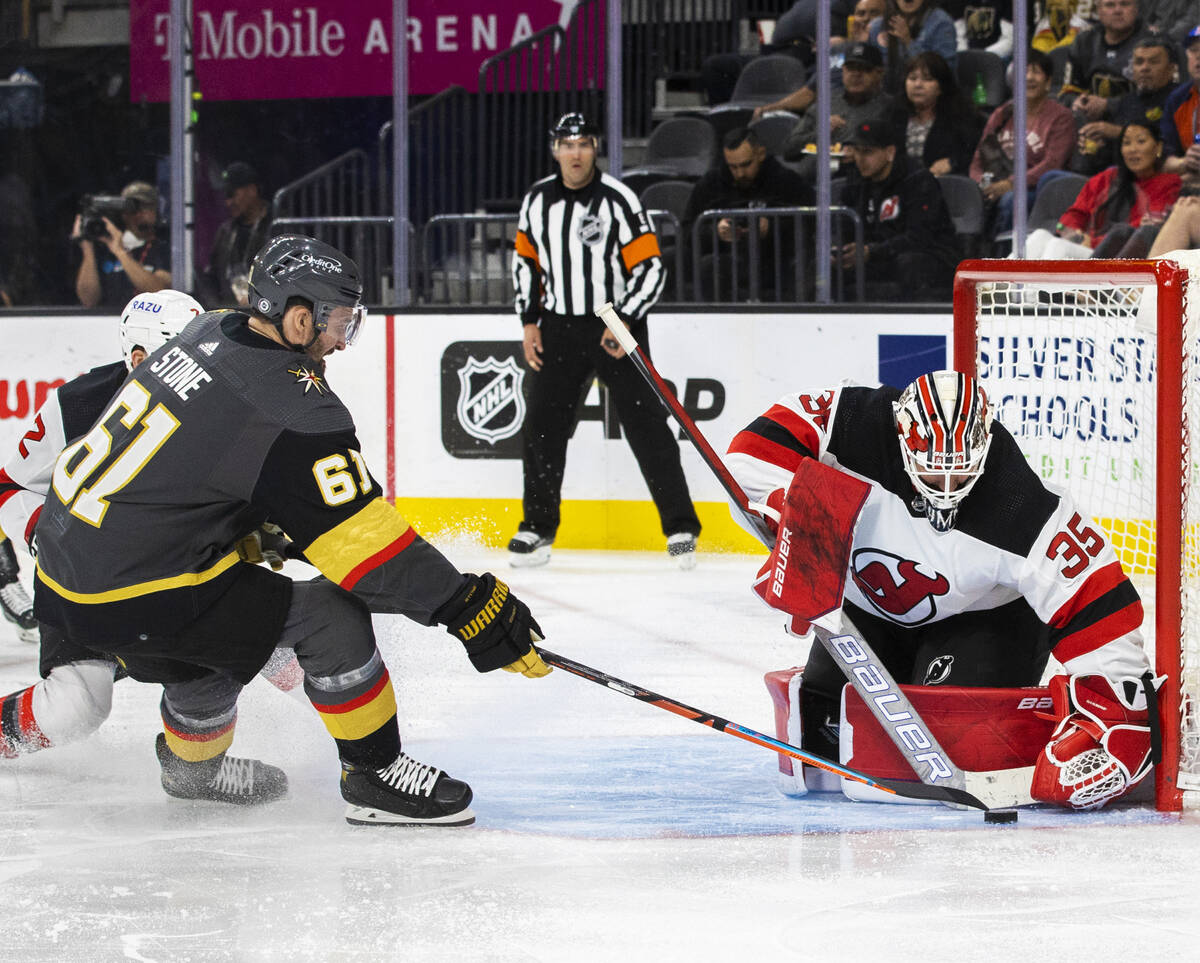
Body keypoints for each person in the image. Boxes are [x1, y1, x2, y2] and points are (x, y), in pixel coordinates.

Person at [32, 235, 552, 827]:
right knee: (329, 614)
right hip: (131, 590)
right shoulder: (293, 406)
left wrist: (249, 527)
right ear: (300, 317)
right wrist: (465, 605)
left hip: (63, 571)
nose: (340, 339)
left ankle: (190, 769)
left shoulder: (211, 330)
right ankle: (375, 774)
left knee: (217, 635)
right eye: (339, 321)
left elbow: (192, 460)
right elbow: (368, 553)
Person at [727, 370, 1157, 810]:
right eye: (934, 475)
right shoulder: (852, 419)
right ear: (902, 434)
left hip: (985, 618)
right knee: (821, 739)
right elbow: (748, 457)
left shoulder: (1020, 503)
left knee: (953, 740)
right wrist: (795, 521)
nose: (947, 490)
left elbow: (1095, 596)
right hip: (869, 608)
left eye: (961, 474)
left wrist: (1122, 708)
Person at [0, 290, 303, 790]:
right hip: (82, 579)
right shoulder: (78, 404)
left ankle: (204, 766)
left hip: (171, 573)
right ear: (138, 357)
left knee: (271, 641)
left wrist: (259, 531)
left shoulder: (219, 404)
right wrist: (47, 539)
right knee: (77, 706)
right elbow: (13, 484)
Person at [510, 113, 700, 569]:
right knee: (540, 427)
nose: (575, 153)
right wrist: (529, 322)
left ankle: (680, 527)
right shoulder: (537, 200)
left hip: (615, 323)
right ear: (554, 149)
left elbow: (651, 267)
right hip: (557, 326)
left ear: (595, 148)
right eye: (567, 144)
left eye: (583, 143)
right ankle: (537, 528)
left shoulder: (619, 199)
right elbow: (525, 265)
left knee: (648, 425)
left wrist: (627, 318)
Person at [836, 118, 962, 300]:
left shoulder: (918, 180)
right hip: (878, 256)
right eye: (856, 151)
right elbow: (846, 226)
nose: (860, 159)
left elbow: (920, 237)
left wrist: (871, 251)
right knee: (824, 266)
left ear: (890, 153)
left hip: (929, 256)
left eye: (867, 152)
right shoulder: (856, 181)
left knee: (910, 263)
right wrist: (841, 250)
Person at [682, 126, 813, 301]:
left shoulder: (787, 182)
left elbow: (811, 224)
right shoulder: (710, 184)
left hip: (775, 262)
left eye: (746, 165)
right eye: (733, 167)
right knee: (707, 265)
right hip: (727, 260)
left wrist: (772, 228)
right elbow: (687, 230)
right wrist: (716, 231)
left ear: (761, 153)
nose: (740, 173)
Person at [1023, 120, 1180, 259]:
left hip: (1119, 256)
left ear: (1158, 147)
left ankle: (1035, 293)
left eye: (1140, 141)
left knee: (1059, 247)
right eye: (1126, 143)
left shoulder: (1169, 183)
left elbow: (1144, 225)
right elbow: (1076, 212)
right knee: (1040, 236)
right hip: (1084, 246)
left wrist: (1092, 241)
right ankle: (1004, 287)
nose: (1132, 149)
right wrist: (1073, 233)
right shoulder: (1107, 178)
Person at [969, 48, 1076, 235]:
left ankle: (1005, 258)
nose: (1029, 78)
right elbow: (979, 158)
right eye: (1023, 72)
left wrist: (1011, 184)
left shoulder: (1061, 117)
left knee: (1012, 200)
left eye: (1036, 72)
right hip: (996, 183)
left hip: (1036, 190)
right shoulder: (1002, 114)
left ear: (1048, 82)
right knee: (967, 195)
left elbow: (1052, 164)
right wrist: (982, 184)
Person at [750, 2, 889, 127]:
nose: (866, 18)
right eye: (861, 13)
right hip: (822, 116)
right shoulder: (837, 49)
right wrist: (771, 108)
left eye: (874, 13)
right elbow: (809, 93)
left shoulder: (891, 51)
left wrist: (867, 44)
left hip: (858, 117)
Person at [1069, 34, 1177, 177]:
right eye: (1139, 62)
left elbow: (1168, 145)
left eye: (1153, 62)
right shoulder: (1127, 100)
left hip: (1157, 176)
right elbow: (1111, 155)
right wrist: (1096, 147)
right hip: (1117, 175)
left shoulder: (1180, 98)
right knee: (1054, 178)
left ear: (1171, 69)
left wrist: (1118, 132)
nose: (1144, 68)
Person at [774, 40, 893, 169]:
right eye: (851, 68)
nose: (856, 74)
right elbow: (788, 150)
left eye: (864, 69)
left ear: (879, 73)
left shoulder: (889, 107)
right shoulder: (826, 102)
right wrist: (820, 132)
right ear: (843, 71)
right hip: (814, 174)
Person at [73, 181, 171, 309]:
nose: (138, 213)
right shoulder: (105, 247)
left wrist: (120, 252)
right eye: (132, 208)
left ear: (156, 211)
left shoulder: (165, 247)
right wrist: (87, 248)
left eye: (144, 207)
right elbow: (88, 300)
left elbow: (159, 292)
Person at [886, 51, 984, 177]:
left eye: (928, 79)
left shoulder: (961, 116)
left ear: (941, 87)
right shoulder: (894, 112)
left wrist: (953, 162)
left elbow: (975, 152)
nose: (918, 85)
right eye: (912, 78)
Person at [197, 161, 274, 308]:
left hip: (268, 315)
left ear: (252, 190)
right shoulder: (226, 231)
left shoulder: (279, 226)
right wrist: (217, 308)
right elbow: (210, 278)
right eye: (225, 196)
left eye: (231, 195)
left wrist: (258, 300)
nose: (228, 202)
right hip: (230, 314)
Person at [1060, 0, 1143, 111]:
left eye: (1125, 4)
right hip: (1088, 120)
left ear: (1136, 8)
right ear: (1098, 10)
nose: (1117, 10)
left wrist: (1109, 105)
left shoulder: (1153, 42)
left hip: (1136, 120)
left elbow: (1158, 98)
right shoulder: (1084, 41)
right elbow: (1067, 92)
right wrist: (1076, 101)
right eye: (1110, 5)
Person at [867, 0, 958, 93]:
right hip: (886, 97)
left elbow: (945, 73)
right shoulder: (877, 27)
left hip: (931, 98)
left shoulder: (941, 23)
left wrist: (908, 42)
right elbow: (869, 72)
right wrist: (857, 44)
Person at [1161, 25, 1200, 192]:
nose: (1199, 56)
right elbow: (1164, 158)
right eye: (1193, 50)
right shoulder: (1178, 99)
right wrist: (1184, 163)